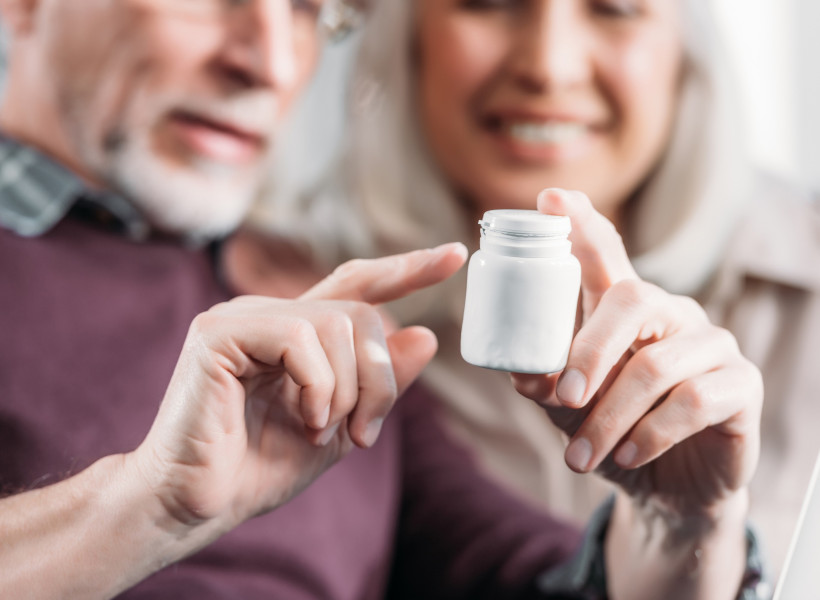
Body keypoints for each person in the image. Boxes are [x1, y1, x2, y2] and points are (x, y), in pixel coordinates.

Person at [0, 0, 764, 598]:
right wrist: (143, 510)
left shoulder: (311, 312)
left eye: (305, 9)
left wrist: (684, 524)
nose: (271, 63)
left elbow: (542, 580)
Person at [242, 0, 820, 577]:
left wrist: (688, 525)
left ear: (686, 48)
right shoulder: (290, 301)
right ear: (406, 34)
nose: (549, 67)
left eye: (615, 8)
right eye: (490, 3)